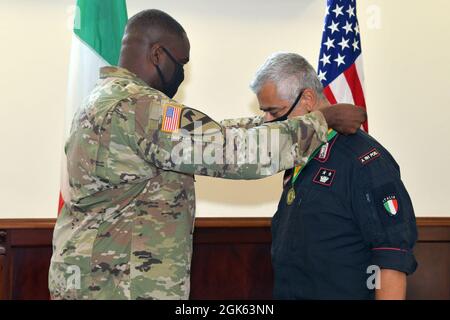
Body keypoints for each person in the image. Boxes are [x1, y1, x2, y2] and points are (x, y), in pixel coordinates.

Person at [49, 10, 366, 300]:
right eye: (181, 63)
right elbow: (232, 152)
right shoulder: (140, 108)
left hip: (95, 277)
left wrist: (272, 121)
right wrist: (322, 121)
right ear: (158, 54)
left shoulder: (106, 98)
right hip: (117, 286)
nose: (182, 74)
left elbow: (210, 135)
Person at [250, 52, 417, 300]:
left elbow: (390, 256)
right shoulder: (301, 154)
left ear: (306, 98)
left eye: (274, 112)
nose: (268, 121)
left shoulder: (363, 160)